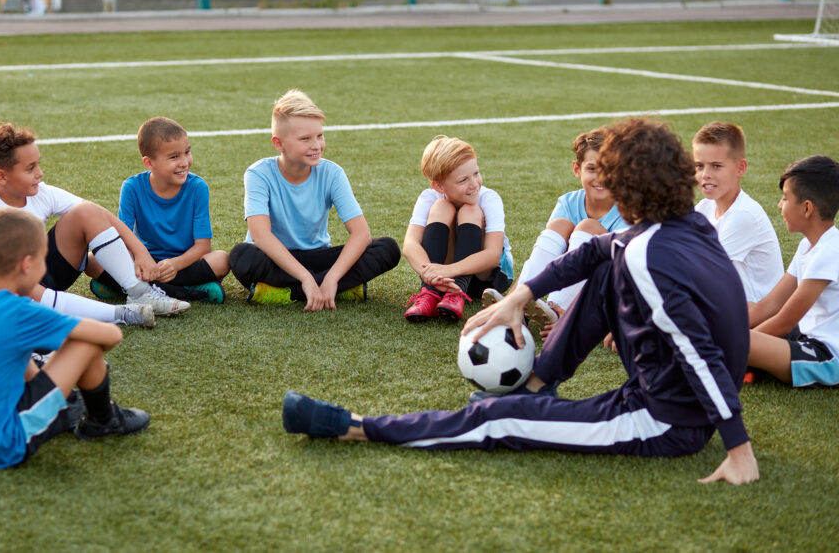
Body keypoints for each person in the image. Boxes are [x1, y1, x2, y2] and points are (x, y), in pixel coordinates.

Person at [281, 118, 759, 486]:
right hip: (658, 384)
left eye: (612, 178)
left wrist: (738, 449)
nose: (605, 187)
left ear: (630, 188)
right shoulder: (684, 223)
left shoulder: (649, 256)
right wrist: (522, 296)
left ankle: (356, 426)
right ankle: (536, 385)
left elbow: (702, 354)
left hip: (663, 421)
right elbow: (596, 250)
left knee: (497, 419)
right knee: (604, 271)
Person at [0, 208, 149, 469]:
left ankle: (66, 406)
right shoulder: (19, 312)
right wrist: (68, 341)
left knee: (19, 351)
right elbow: (110, 335)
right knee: (85, 343)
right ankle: (103, 420)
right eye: (44, 259)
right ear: (27, 264)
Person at [0, 122, 187, 319]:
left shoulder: (43, 192)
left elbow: (101, 215)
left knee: (87, 211)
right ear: (1, 176)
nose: (40, 173)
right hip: (7, 288)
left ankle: (138, 292)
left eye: (38, 164)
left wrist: (140, 251)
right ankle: (120, 314)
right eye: (30, 168)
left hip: (44, 274)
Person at [229, 90, 400, 311]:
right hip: (276, 258)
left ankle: (287, 292)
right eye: (305, 139)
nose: (316, 145)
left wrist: (332, 278)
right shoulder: (258, 174)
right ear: (278, 144)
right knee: (241, 255)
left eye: (320, 136)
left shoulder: (332, 173)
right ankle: (337, 289)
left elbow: (361, 234)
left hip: (317, 256)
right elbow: (261, 236)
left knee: (387, 248)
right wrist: (306, 278)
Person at [94, 116, 229, 304]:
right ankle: (184, 291)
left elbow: (203, 247)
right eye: (174, 157)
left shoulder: (197, 187)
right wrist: (139, 262)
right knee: (93, 259)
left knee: (222, 260)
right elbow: (123, 238)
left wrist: (175, 264)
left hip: (184, 264)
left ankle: (130, 289)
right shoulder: (132, 187)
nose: (184, 162)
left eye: (187, 152)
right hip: (145, 262)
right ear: (149, 163)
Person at [508, 128, 629, 335]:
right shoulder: (567, 203)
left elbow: (628, 276)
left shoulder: (629, 211)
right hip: (569, 281)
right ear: (577, 169)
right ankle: (518, 302)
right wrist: (510, 297)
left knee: (587, 227)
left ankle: (562, 311)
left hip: (606, 292)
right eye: (592, 168)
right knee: (560, 225)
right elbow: (542, 257)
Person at [747, 155, 839, 388]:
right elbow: (770, 305)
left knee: (739, 342)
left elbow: (784, 322)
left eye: (785, 198)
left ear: (807, 208)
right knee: (736, 310)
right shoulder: (808, 245)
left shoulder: (829, 251)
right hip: (804, 337)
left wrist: (741, 343)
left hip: (827, 356)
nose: (779, 205)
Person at [401, 136, 514, 322]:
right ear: (438, 185)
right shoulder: (429, 197)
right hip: (442, 277)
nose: (474, 184)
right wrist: (430, 275)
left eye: (476, 173)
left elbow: (493, 255)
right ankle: (429, 293)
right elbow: (410, 245)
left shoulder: (489, 198)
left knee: (471, 210)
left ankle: (457, 293)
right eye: (463, 180)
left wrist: (449, 271)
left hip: (487, 279)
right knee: (441, 207)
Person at [692, 121, 783, 304]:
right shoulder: (704, 207)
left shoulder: (743, 215)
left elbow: (706, 273)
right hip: (730, 308)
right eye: (700, 166)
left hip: (757, 318)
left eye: (716, 166)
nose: (705, 175)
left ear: (740, 168)